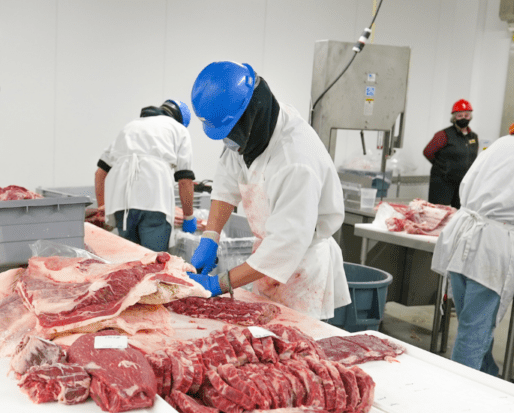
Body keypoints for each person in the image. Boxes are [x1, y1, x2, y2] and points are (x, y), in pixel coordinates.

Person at [186, 61, 350, 319]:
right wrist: (211, 236)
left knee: (293, 348)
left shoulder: (296, 162)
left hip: (301, 269)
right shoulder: (253, 131)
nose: (230, 143)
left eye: (230, 134)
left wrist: (219, 285)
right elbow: (227, 182)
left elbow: (284, 246)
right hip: (265, 260)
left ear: (248, 117)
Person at [431, 99, 514, 377]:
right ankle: (459, 400)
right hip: (494, 244)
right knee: (474, 331)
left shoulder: (505, 141)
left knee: (474, 323)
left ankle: (488, 378)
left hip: (461, 236)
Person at [94, 99, 196, 252]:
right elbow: (185, 180)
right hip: (155, 202)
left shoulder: (129, 127)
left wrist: (102, 207)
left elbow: (100, 173)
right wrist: (188, 217)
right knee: (153, 263)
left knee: (128, 264)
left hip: (122, 204)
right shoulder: (179, 130)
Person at [423, 99, 479, 208]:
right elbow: (428, 152)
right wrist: (443, 166)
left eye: (466, 115)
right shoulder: (443, 135)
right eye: (460, 115)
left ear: (470, 117)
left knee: (459, 213)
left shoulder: (473, 137)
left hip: (462, 182)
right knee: (438, 213)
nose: (463, 118)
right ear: (454, 118)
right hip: (443, 182)